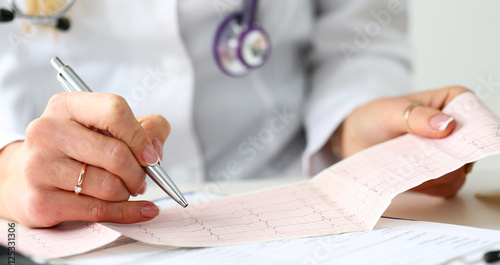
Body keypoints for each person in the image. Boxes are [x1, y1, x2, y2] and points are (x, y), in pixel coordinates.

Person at [0, 0, 471, 228]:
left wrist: (350, 124)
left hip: (287, 201)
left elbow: (358, 33)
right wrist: (7, 170)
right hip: (60, 230)